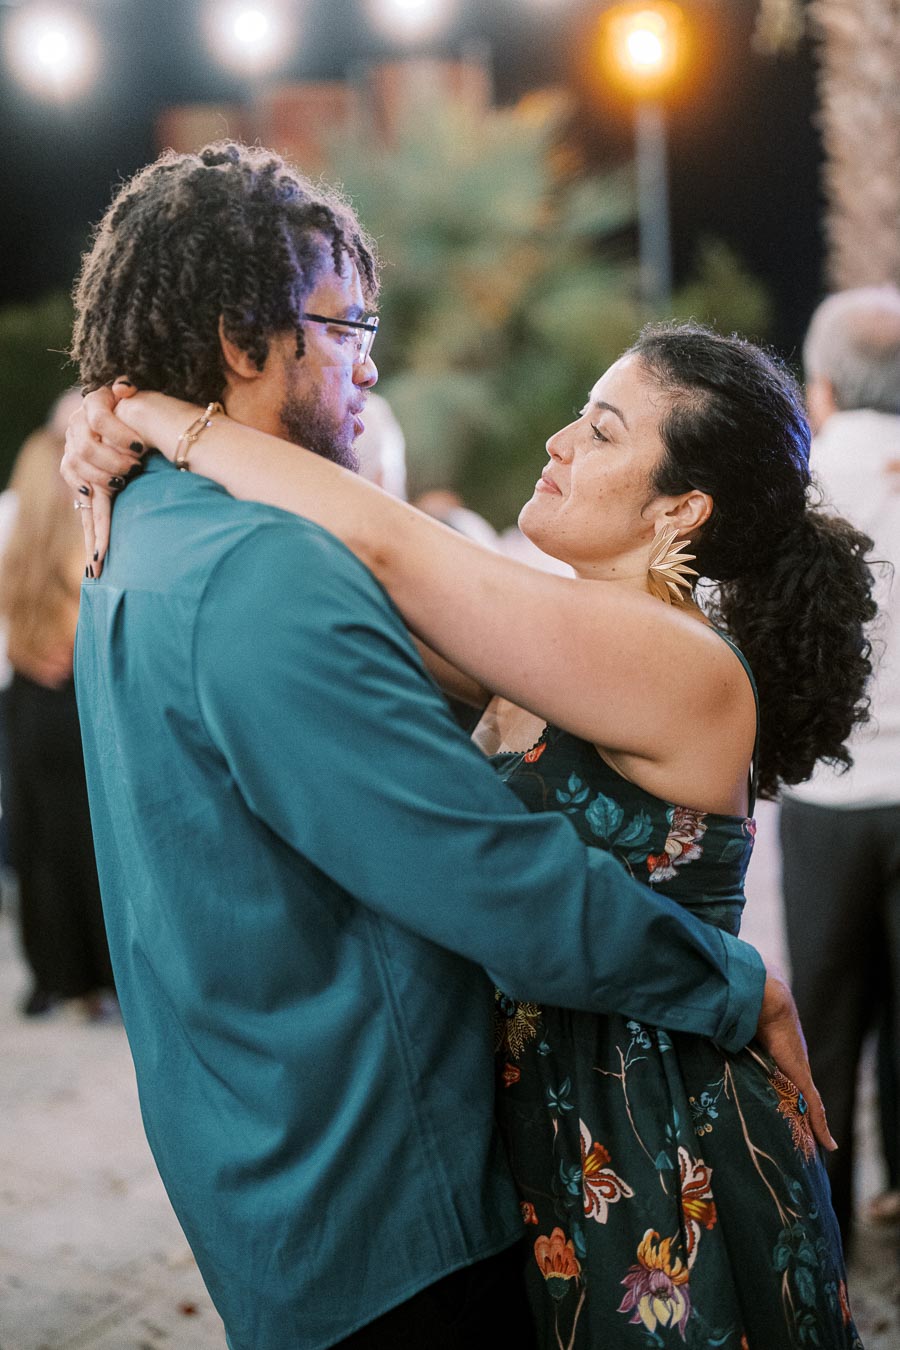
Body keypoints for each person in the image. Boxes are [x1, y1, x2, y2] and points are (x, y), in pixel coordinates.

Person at [65, 196, 872, 1343]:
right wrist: (119, 437)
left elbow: (387, 543)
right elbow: (370, 598)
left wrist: (155, 412)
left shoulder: (674, 662)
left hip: (655, 1130)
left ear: (682, 509)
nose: (556, 440)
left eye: (600, 433)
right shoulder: (551, 643)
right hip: (566, 1117)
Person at [779, 284, 900, 1248]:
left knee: (824, 1020)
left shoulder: (800, 485)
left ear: (820, 383)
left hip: (829, 798)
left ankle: (827, 1228)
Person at [0, 412, 113, 1017]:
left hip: (25, 707)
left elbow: (15, 641)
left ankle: (63, 980)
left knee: (43, 848)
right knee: (93, 843)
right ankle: (104, 975)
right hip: (74, 705)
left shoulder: (13, 552)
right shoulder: (86, 549)